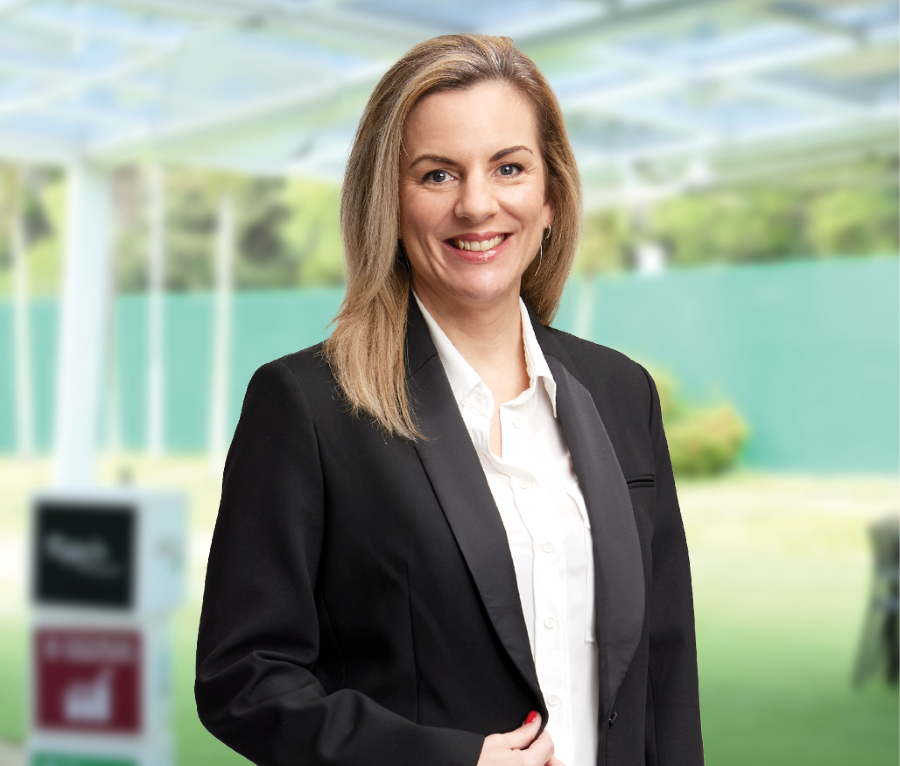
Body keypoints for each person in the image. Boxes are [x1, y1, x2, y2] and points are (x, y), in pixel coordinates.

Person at [195, 33, 703, 766]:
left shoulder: (623, 393)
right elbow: (244, 680)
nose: (477, 204)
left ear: (550, 197)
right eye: (437, 175)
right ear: (388, 202)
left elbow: (665, 669)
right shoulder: (308, 406)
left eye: (509, 168)